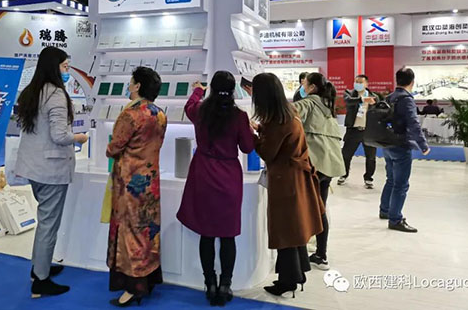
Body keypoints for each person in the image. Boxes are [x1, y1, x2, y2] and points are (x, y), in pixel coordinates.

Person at [15, 47, 89, 298]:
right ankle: (41, 280)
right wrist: (79, 137)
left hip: (34, 166)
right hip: (51, 168)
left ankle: (40, 267)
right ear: (54, 67)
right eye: (65, 66)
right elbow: (60, 136)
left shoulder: (32, 91)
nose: (67, 71)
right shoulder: (56, 95)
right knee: (49, 224)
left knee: (45, 220)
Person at [177, 71, 254, 306]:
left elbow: (189, 106)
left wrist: (197, 90)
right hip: (228, 177)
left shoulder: (201, 111)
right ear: (233, 91)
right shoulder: (239, 116)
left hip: (203, 174)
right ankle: (225, 285)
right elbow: (247, 147)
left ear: (211, 88)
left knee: (207, 233)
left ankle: (209, 283)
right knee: (228, 234)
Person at [252, 73, 324, 298]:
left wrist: (251, 136)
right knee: (294, 227)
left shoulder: (277, 121)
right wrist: (260, 129)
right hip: (295, 177)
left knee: (285, 231)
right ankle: (296, 274)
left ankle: (288, 281)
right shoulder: (288, 113)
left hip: (285, 180)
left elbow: (267, 152)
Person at [106, 67, 167, 307]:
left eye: (131, 82)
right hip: (150, 181)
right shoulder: (160, 114)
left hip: (129, 183)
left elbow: (114, 147)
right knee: (148, 230)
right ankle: (148, 278)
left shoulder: (130, 114)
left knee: (129, 232)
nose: (129, 85)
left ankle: (132, 286)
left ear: (138, 85)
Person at [292, 72, 344, 271]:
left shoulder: (309, 102)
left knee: (304, 210)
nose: (302, 87)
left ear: (312, 87)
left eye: (304, 83)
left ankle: (302, 258)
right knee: (320, 209)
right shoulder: (327, 106)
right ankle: (321, 255)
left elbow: (290, 113)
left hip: (314, 165)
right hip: (329, 165)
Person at [380, 68, 430, 233]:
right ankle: (395, 219)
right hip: (401, 145)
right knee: (401, 184)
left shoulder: (389, 97)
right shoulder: (406, 99)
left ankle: (385, 210)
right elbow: (413, 123)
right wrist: (423, 145)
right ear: (412, 82)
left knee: (391, 179)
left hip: (388, 144)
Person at [338, 75, 379, 189]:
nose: (358, 84)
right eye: (356, 82)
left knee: (371, 157)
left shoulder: (374, 97)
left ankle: (368, 178)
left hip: (369, 131)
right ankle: (344, 174)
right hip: (353, 130)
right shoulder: (349, 94)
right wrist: (362, 100)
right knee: (346, 155)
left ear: (366, 84)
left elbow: (379, 110)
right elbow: (348, 101)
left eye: (360, 82)